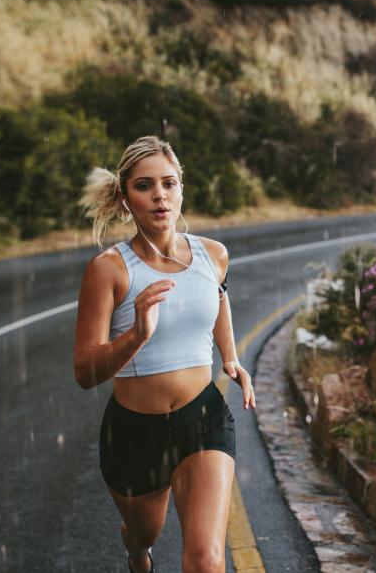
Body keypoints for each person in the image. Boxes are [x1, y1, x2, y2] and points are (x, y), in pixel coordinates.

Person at [73, 135, 255, 573]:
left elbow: (218, 296)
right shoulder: (109, 270)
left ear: (180, 189)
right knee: (143, 534)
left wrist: (229, 356)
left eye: (169, 183)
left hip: (202, 419)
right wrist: (136, 334)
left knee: (207, 559)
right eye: (144, 185)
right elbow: (84, 371)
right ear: (125, 196)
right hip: (134, 433)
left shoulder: (214, 255)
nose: (159, 195)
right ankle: (137, 553)